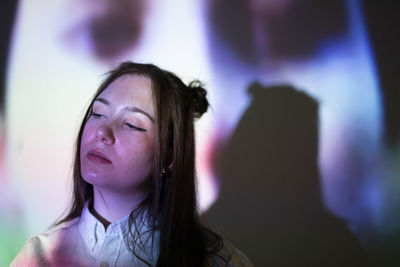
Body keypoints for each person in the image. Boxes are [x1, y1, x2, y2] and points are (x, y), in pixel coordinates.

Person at [11, 62, 252, 266]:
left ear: (169, 157)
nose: (102, 131)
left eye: (132, 124)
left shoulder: (219, 260)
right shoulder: (38, 257)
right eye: (97, 113)